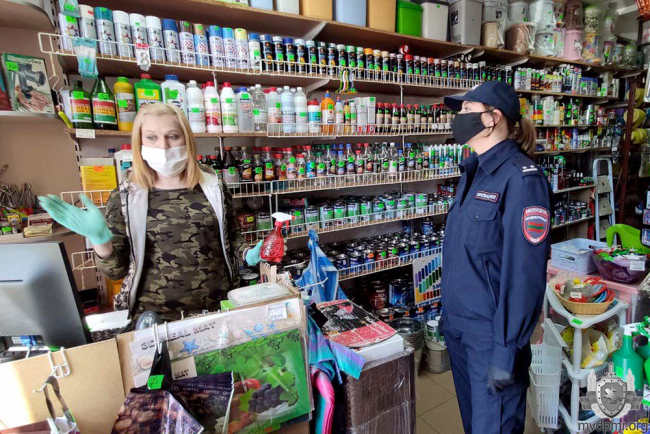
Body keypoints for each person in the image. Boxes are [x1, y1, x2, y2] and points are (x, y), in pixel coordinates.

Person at [39, 103, 263, 320]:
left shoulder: (214, 187)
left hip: (219, 307)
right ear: (140, 143)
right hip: (154, 315)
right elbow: (115, 272)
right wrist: (100, 240)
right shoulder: (126, 196)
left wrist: (247, 253)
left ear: (187, 139)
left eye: (172, 136)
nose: (163, 146)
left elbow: (232, 236)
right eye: (152, 137)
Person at [440, 81, 552, 433]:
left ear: (493, 118)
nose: (459, 118)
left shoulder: (522, 180)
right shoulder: (472, 173)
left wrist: (507, 351)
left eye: (467, 110)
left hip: (492, 339)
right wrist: (448, 320)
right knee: (474, 423)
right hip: (459, 329)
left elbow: (524, 277)